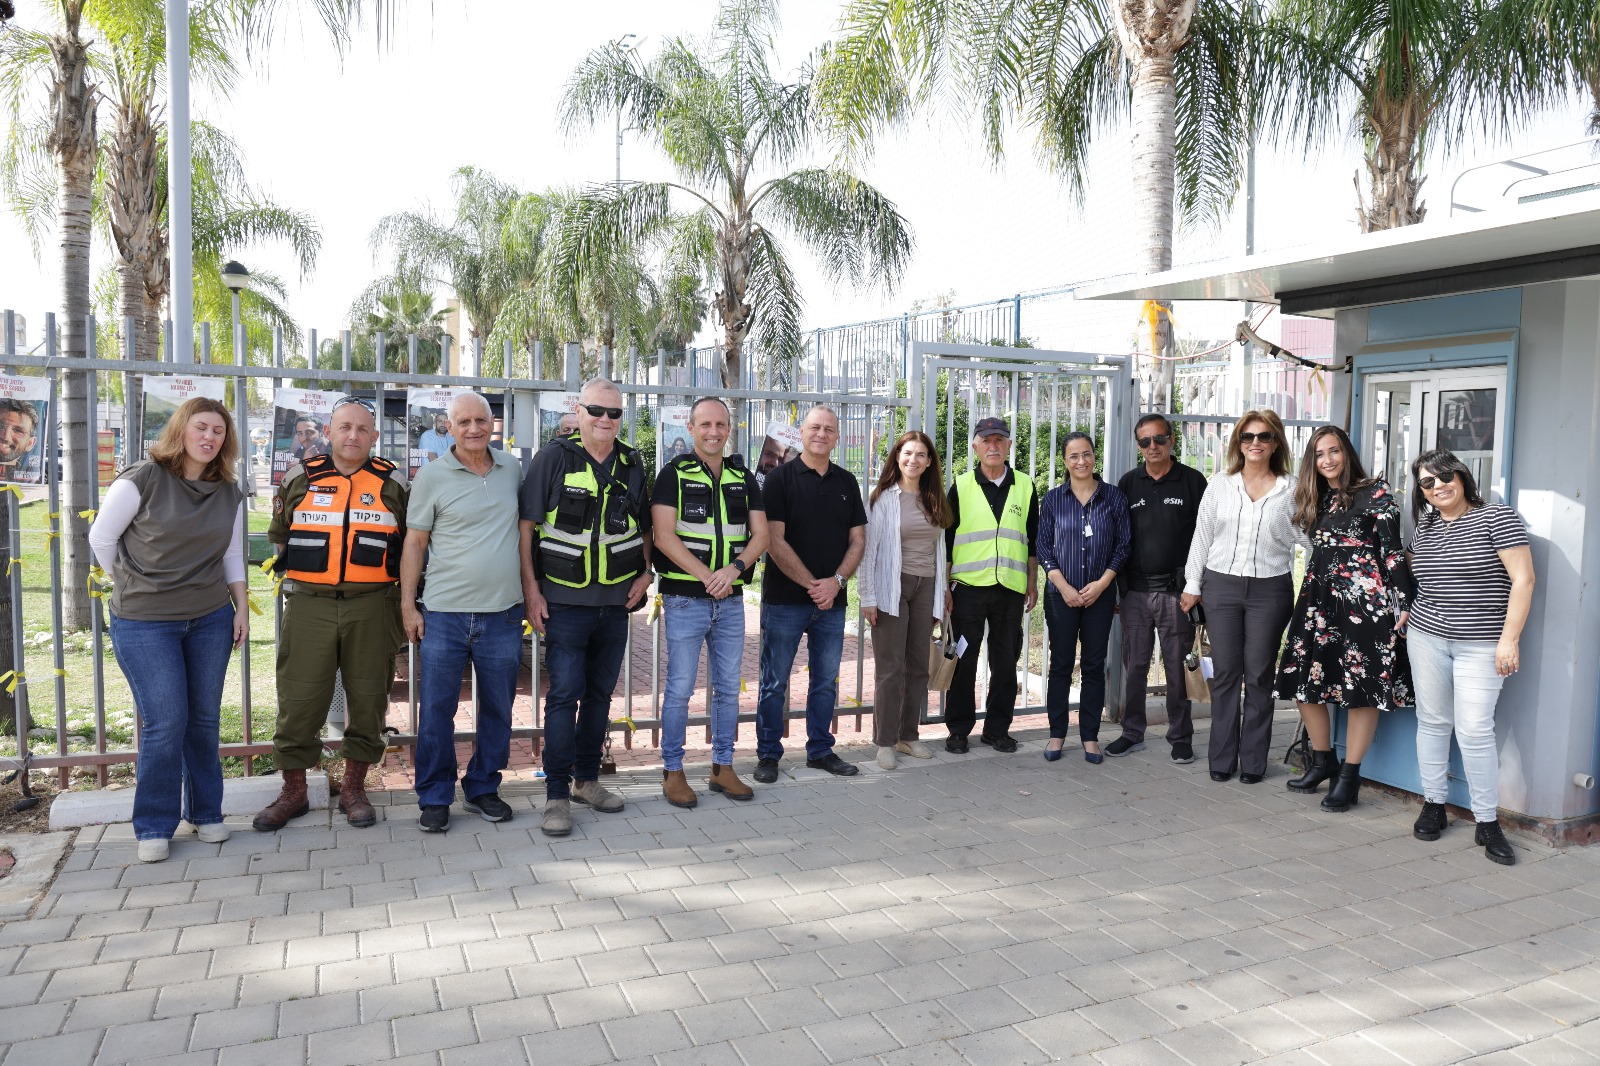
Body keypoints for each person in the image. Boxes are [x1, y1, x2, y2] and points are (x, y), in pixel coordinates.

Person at [88, 398, 246, 863]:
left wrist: (240, 607)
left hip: (210, 617)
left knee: (203, 720)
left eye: (218, 431)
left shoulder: (227, 492)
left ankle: (206, 813)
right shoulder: (144, 478)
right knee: (165, 722)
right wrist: (129, 582)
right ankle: (155, 824)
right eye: (201, 427)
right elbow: (101, 537)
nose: (210, 437)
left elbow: (232, 555)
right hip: (145, 622)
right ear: (181, 430)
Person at [253, 396, 408, 833]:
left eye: (362, 429)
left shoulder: (394, 486)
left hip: (374, 606)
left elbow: (413, 548)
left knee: (368, 700)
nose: (353, 436)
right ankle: (294, 792)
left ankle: (355, 789)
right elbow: (281, 541)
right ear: (331, 432)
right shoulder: (301, 478)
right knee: (299, 701)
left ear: (374, 437)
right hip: (309, 605)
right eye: (345, 427)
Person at [521, 379, 653, 835]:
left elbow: (646, 526)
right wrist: (532, 592)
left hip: (615, 603)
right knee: (563, 697)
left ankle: (587, 780)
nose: (605, 419)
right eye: (596, 410)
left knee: (599, 697)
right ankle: (557, 794)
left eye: (614, 413)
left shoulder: (633, 463)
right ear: (579, 411)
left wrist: (645, 572)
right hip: (563, 602)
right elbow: (526, 530)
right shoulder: (553, 458)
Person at [401, 392, 525, 834]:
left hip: (503, 615)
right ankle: (434, 796)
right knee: (436, 710)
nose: (474, 428)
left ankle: (483, 788)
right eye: (464, 422)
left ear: (494, 423)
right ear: (448, 427)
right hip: (445, 614)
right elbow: (414, 544)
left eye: (481, 420)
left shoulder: (513, 469)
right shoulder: (432, 476)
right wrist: (408, 605)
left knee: (498, 709)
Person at [1406, 448, 1534, 865]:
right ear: (1422, 492)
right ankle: (1433, 805)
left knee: (1475, 730)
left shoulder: (1496, 517)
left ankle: (1486, 821)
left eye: (1444, 477)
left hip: (1480, 644)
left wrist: (1509, 640)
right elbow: (1417, 574)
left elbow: (1523, 579)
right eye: (1427, 482)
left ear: (1461, 477)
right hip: (1426, 637)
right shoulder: (1425, 525)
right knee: (1433, 722)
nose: (1438, 486)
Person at [1275, 426, 1413, 812]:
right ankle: (1323, 761)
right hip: (1319, 601)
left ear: (1346, 453)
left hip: (1364, 604)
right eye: (1320, 454)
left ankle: (1349, 776)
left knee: (1360, 688)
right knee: (1302, 681)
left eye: (1334, 451)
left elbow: (1392, 552)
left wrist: (1403, 600)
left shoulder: (1376, 492)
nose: (1328, 460)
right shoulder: (1313, 497)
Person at [651, 397, 768, 806]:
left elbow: (762, 536)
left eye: (720, 424)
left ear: (728, 428)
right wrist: (706, 576)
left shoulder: (742, 475)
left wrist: (733, 571)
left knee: (727, 689)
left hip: (731, 601)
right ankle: (673, 771)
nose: (714, 432)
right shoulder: (673, 474)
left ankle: (722, 767)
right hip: (686, 599)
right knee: (681, 688)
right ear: (692, 427)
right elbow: (663, 535)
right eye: (706, 424)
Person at [1182, 409, 1300, 784]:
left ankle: (1253, 762)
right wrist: (1192, 584)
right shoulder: (1220, 484)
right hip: (1222, 586)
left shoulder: (1292, 488)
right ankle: (1221, 759)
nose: (1255, 443)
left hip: (1270, 587)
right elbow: (1202, 536)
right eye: (1247, 437)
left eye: (1263, 437)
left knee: (1261, 673)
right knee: (1228, 673)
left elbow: (1309, 539)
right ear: (1238, 442)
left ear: (1275, 442)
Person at [753, 406, 867, 781]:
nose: (821, 434)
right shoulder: (780, 479)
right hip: (786, 601)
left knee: (825, 682)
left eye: (829, 429)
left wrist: (835, 582)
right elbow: (774, 539)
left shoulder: (847, 482)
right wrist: (812, 585)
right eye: (815, 427)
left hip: (832, 603)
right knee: (774, 682)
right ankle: (768, 754)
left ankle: (820, 750)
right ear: (801, 432)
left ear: (837, 437)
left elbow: (858, 539)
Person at [1112, 414, 1208, 763]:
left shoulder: (1193, 482)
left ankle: (1180, 736)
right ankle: (1131, 732)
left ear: (1172, 440)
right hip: (1135, 593)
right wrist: (1119, 590)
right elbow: (1117, 539)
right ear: (1138, 446)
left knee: (1176, 670)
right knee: (1134, 667)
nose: (1152, 447)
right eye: (1144, 442)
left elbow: (1206, 538)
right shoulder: (1127, 484)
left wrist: (1196, 587)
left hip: (1177, 595)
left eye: (1159, 439)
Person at [943, 416, 1039, 754]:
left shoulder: (1025, 485)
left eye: (1000, 439)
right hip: (968, 588)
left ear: (1010, 444)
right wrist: (945, 586)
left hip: (1009, 589)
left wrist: (1032, 580)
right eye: (986, 440)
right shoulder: (961, 485)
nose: (993, 445)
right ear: (975, 446)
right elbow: (948, 537)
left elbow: (1032, 539)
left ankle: (997, 729)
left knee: (1004, 661)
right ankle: (958, 730)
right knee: (964, 660)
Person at [860, 431, 951, 770]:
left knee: (917, 666)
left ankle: (907, 736)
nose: (913, 459)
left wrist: (941, 595)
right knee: (890, 668)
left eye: (921, 454)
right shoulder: (883, 499)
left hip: (925, 587)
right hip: (891, 588)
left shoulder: (934, 498)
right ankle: (884, 741)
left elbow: (938, 550)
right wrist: (868, 597)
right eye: (907, 453)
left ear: (929, 462)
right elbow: (869, 553)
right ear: (898, 457)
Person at [1038, 432, 1130, 764]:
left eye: (1087, 454)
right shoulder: (1052, 500)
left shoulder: (1114, 498)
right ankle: (1056, 734)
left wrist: (1103, 584)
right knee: (1061, 665)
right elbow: (1044, 547)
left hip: (1099, 596)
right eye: (1074, 456)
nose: (1081, 461)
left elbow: (1123, 546)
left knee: (1093, 666)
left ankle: (1090, 736)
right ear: (1065, 461)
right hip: (1060, 595)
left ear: (1094, 457)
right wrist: (1062, 586)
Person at [0, 397, 39, 479]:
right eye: (0, 426)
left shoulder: (28, 482)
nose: (5, 437)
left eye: (18, 431)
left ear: (30, 443)